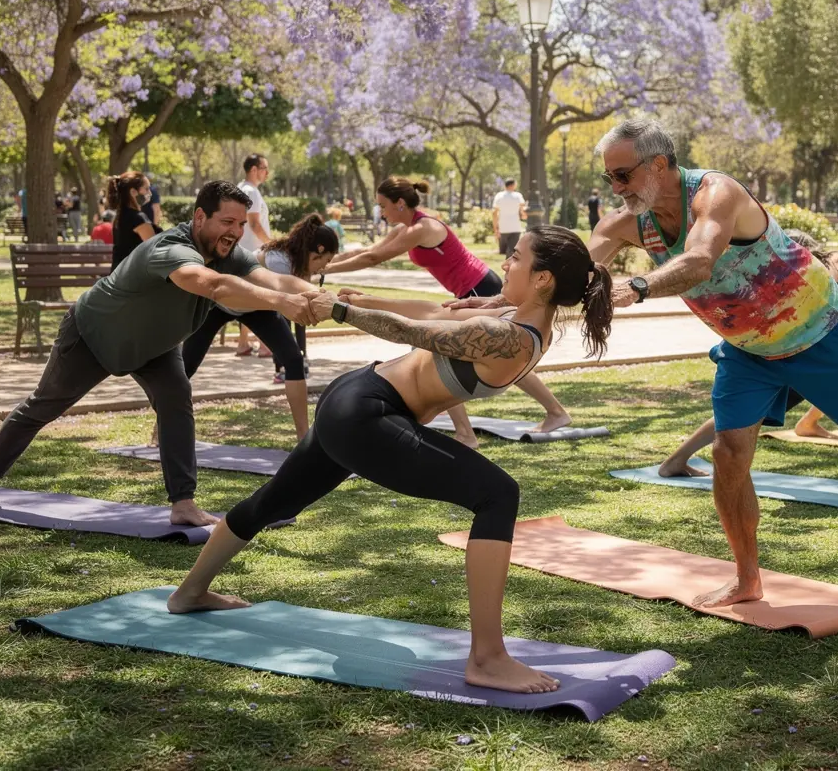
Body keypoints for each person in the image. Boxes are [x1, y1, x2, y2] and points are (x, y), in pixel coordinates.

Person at [450, 119, 838, 597]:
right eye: (609, 178)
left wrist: (639, 286)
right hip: (748, 349)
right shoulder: (626, 223)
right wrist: (505, 301)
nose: (615, 188)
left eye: (622, 175)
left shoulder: (716, 193)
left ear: (659, 165)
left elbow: (698, 259)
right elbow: (570, 276)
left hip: (817, 332)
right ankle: (747, 578)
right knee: (728, 453)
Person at [166, 226, 613, 695]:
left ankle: (189, 593)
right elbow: (428, 315)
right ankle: (487, 658)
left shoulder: (509, 333)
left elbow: (422, 329)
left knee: (275, 501)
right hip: (365, 413)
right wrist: (361, 302)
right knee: (499, 494)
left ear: (543, 279)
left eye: (516, 257)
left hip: (358, 401)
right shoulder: (512, 321)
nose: (505, 262)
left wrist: (345, 310)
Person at [0, 181, 321, 525]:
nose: (236, 232)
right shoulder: (172, 248)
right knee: (43, 406)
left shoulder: (227, 252)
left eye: (240, 224)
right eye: (227, 222)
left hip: (155, 347)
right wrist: (282, 303)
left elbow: (273, 279)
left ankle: (183, 504)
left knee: (176, 397)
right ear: (200, 217)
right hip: (94, 335)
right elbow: (213, 285)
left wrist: (323, 297)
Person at [658, 230, 838, 512]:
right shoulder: (828, 263)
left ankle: (675, 460)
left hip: (784, 361)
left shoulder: (767, 275)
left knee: (743, 417)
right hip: (829, 362)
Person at [326, 176, 572, 445]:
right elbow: (369, 250)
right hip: (469, 288)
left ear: (400, 204)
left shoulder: (422, 227)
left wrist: (325, 271)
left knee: (465, 349)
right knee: (488, 354)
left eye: (383, 206)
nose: (381, 212)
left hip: (478, 287)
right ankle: (549, 412)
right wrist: (326, 264)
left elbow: (373, 258)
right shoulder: (407, 228)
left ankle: (471, 432)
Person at [179, 214, 339, 441]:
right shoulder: (279, 261)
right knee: (186, 366)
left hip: (258, 307)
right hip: (220, 304)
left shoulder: (299, 263)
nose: (325, 266)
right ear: (318, 250)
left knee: (294, 360)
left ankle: (304, 438)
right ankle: (162, 426)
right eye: (327, 260)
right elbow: (284, 295)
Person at [237, 154, 273, 358]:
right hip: (255, 254)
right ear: (253, 169)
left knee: (247, 298)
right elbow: (254, 224)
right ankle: (265, 344)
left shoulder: (241, 188)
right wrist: (272, 244)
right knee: (261, 298)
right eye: (264, 168)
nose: (267, 172)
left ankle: (243, 343)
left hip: (243, 251)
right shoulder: (251, 191)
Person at [108, 170, 156, 271]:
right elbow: (155, 250)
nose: (150, 193)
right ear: (133, 192)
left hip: (118, 274)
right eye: (146, 189)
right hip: (132, 276)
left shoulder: (120, 216)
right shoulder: (138, 218)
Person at [492, 178, 527, 258]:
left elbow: (494, 213)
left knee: (504, 251)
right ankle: (509, 264)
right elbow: (523, 212)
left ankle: (508, 263)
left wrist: (495, 228)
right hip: (515, 227)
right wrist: (524, 215)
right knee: (512, 251)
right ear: (512, 185)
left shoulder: (499, 196)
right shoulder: (518, 196)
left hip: (503, 227)